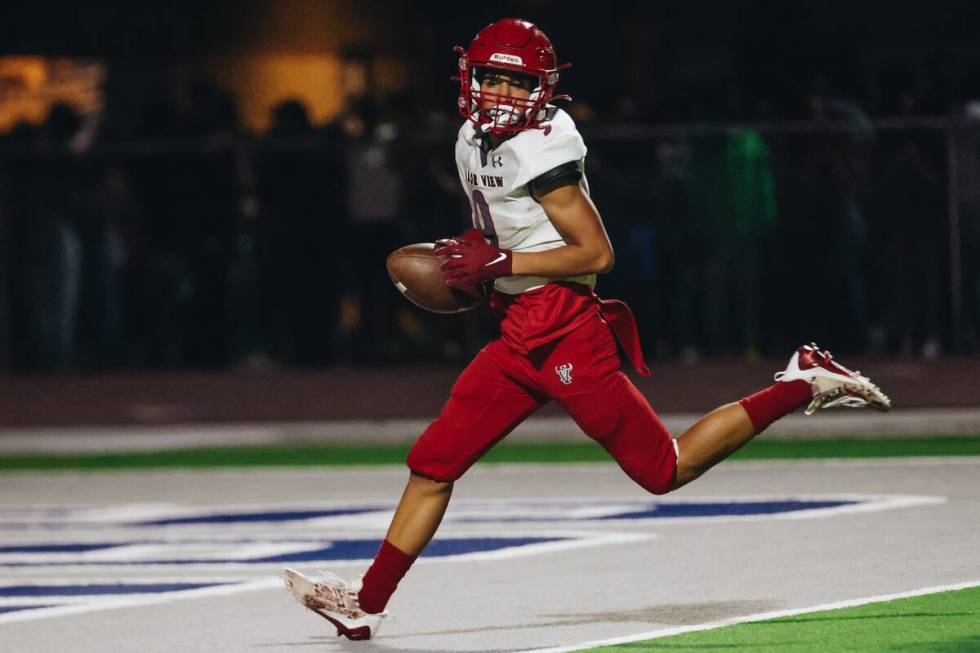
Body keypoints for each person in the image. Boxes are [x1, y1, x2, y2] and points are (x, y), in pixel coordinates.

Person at [281, 18, 891, 640]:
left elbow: (596, 254)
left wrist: (500, 262)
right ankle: (367, 603)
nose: (498, 94)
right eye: (490, 78)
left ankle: (801, 381)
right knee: (434, 463)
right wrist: (483, 254)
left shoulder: (545, 149)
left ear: (540, 90)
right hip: (516, 328)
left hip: (568, 331)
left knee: (664, 470)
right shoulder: (470, 138)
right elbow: (508, 226)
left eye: (514, 83)